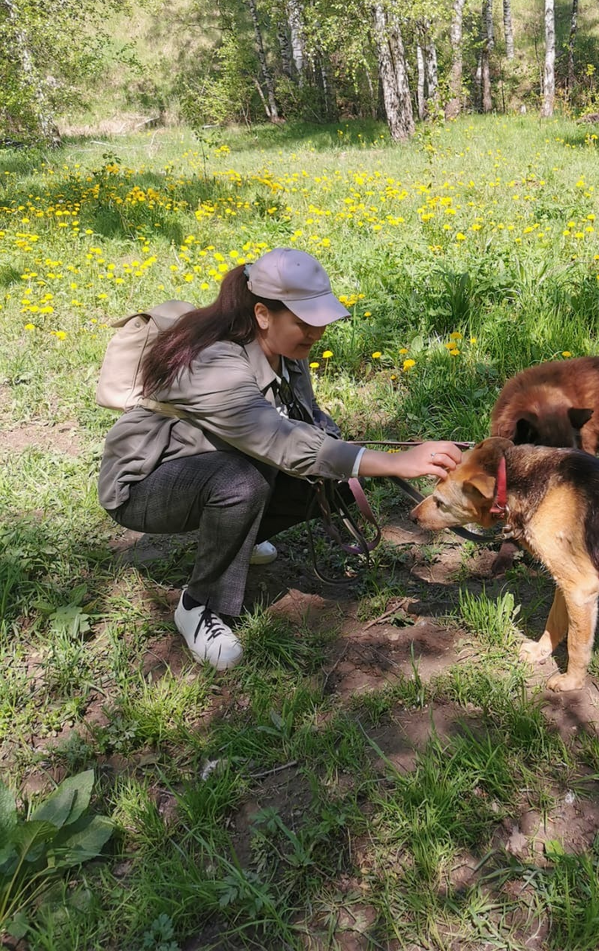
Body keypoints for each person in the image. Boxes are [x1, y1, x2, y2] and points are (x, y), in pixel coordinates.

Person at [98, 248, 461, 670]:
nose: (315, 333)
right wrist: (395, 462)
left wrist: (340, 445)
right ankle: (198, 607)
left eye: (320, 322)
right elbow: (281, 442)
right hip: (146, 485)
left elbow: (305, 425)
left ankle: (236, 537)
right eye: (304, 322)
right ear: (263, 314)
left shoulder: (287, 353)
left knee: (333, 478)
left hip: (212, 464)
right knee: (239, 483)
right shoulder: (215, 360)